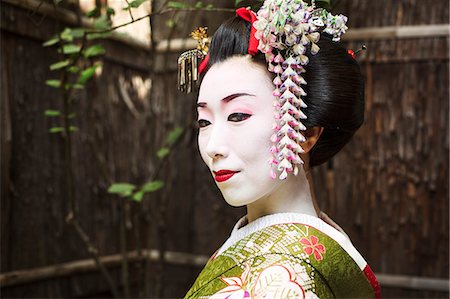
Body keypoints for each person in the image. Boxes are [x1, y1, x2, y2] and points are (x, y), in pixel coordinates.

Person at [178, 1, 381, 298]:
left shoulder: (280, 281)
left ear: (306, 133)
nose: (213, 147)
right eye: (204, 121)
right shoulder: (316, 246)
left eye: (238, 116)